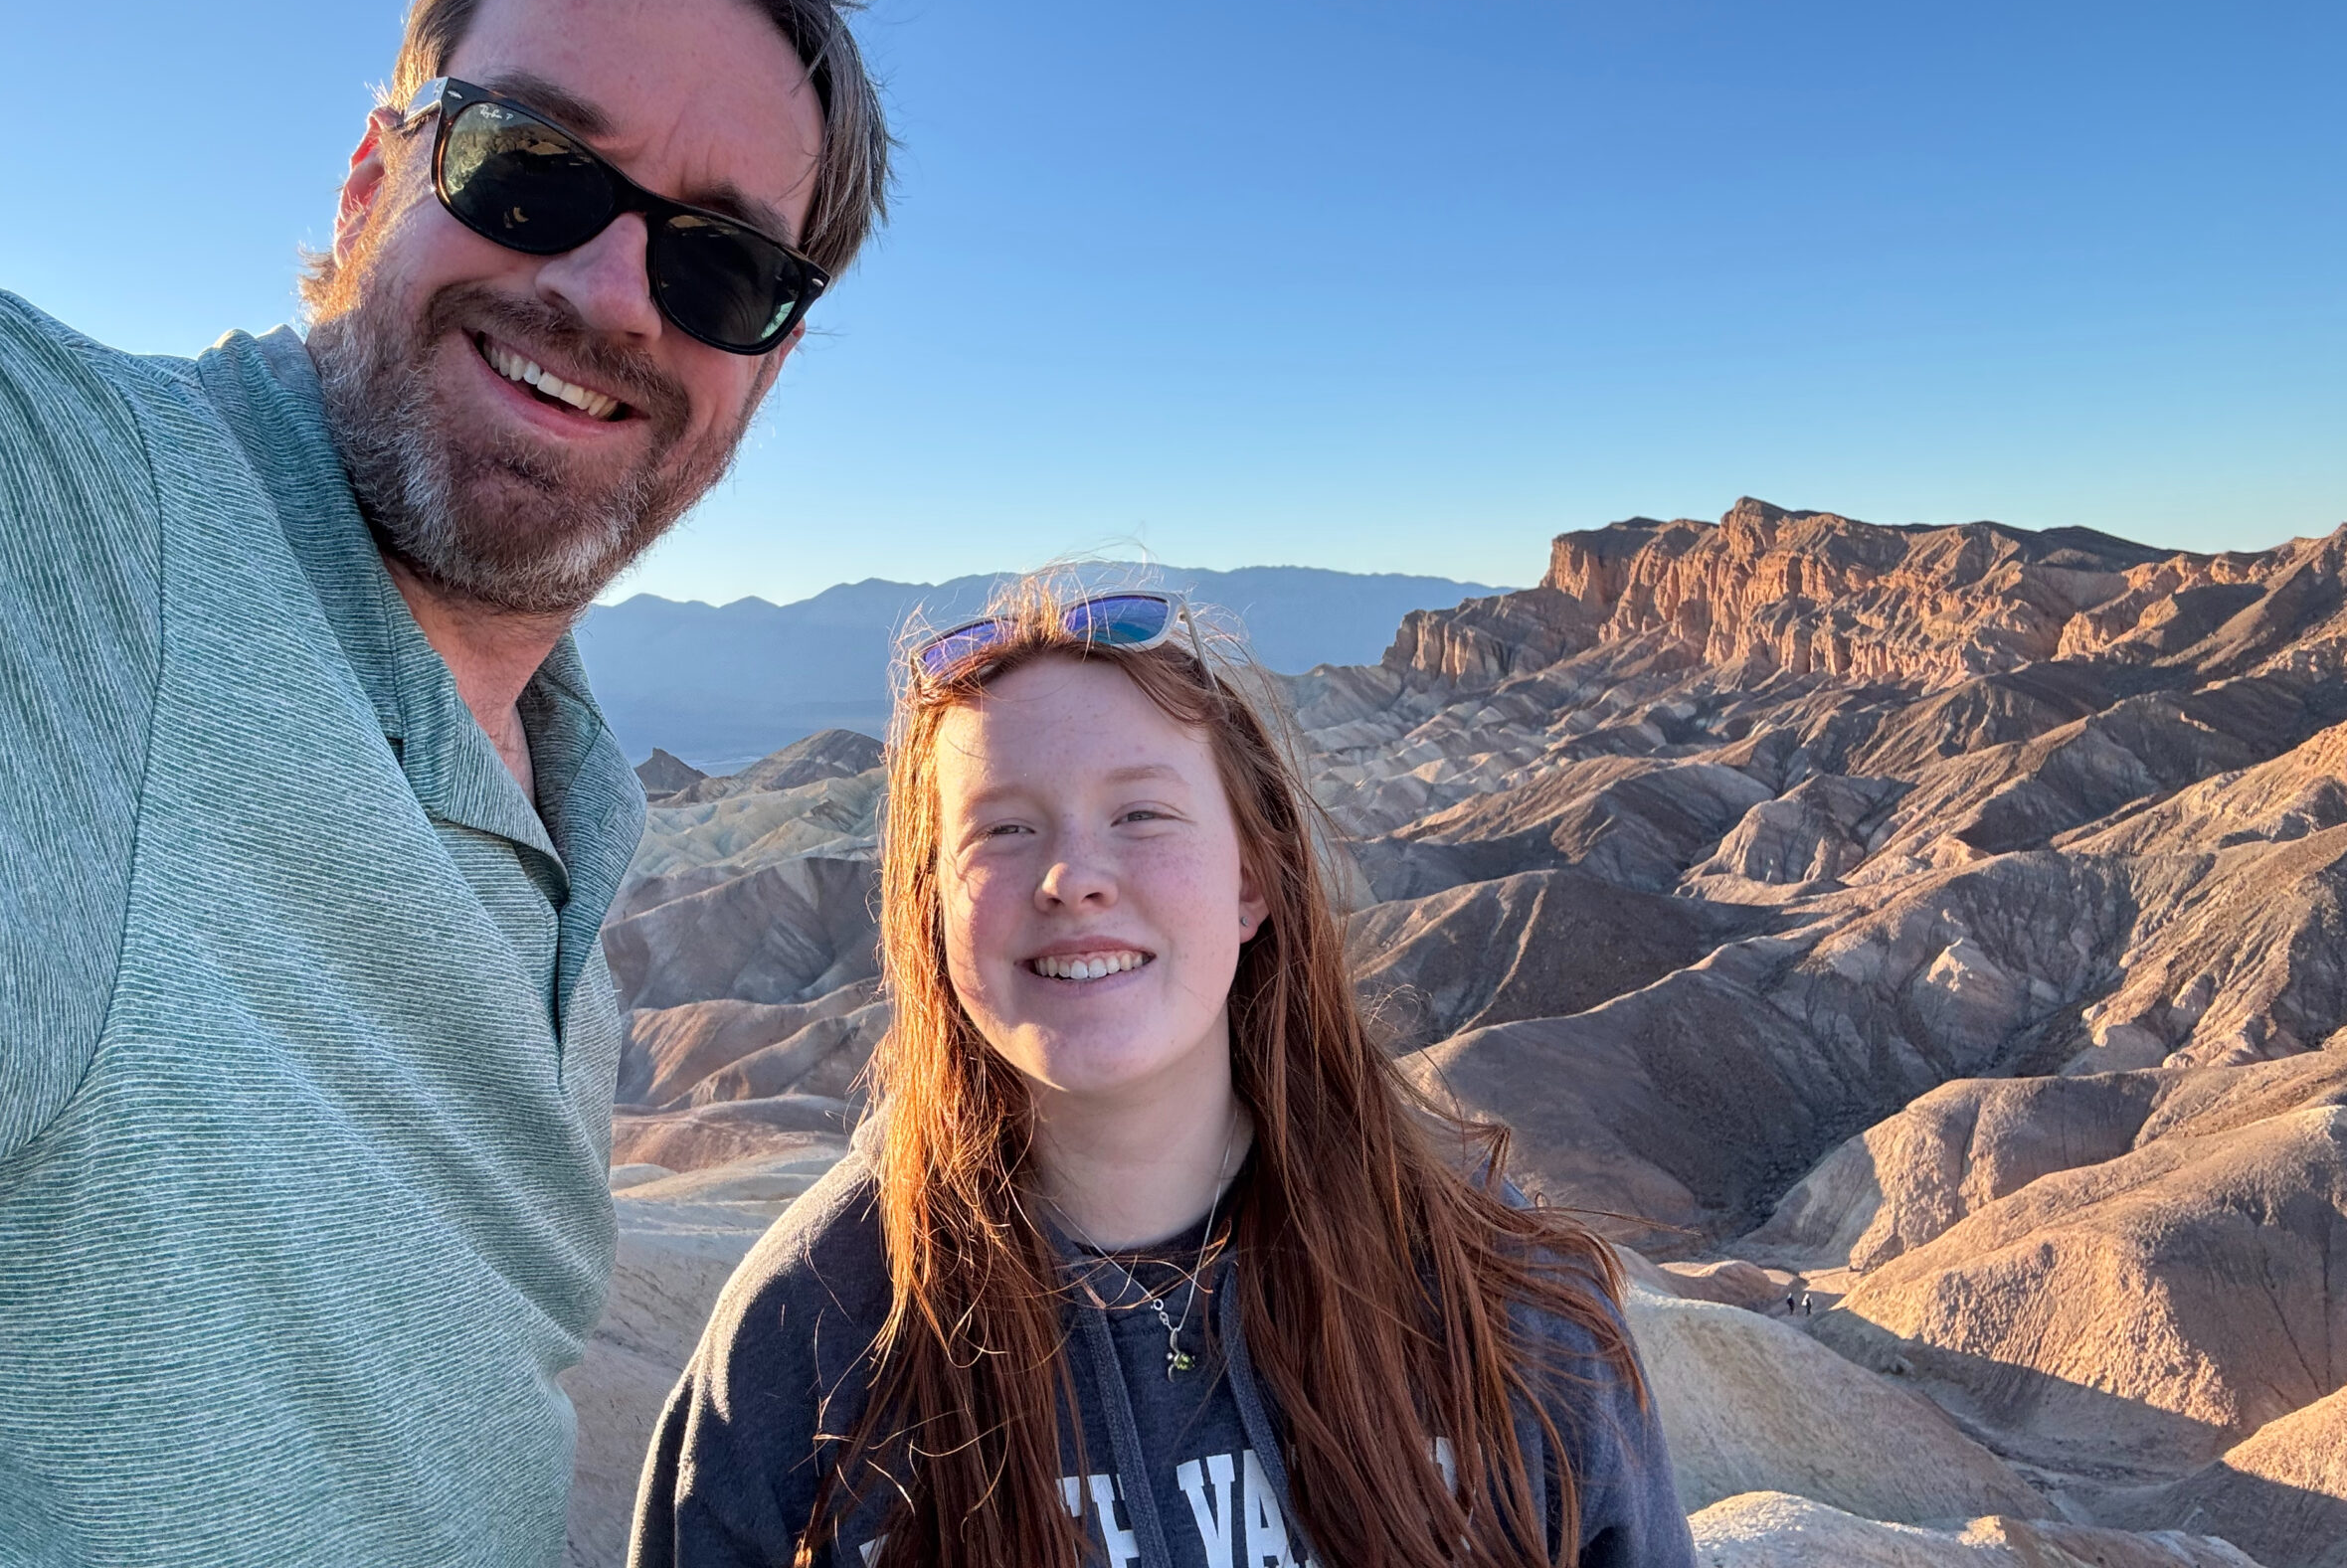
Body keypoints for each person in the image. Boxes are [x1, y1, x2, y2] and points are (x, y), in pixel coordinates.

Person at [0, 0, 898, 1566]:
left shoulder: (574, 817)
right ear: (373, 177)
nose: (619, 294)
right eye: (533, 169)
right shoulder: (28, 517)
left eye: (721, 270)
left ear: (761, 370)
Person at [632, 585, 1695, 1567]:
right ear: (932, 918)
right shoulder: (812, 1329)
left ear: (1251, 883)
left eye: (1139, 814)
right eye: (1002, 829)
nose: (1072, 879)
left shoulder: (1490, 1299)